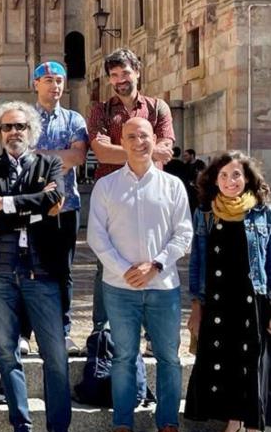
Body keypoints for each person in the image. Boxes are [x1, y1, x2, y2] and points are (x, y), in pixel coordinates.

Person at [0, 101, 75, 432]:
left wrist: (7, 205)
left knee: (55, 355)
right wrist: (33, 209)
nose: (14, 133)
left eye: (21, 127)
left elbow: (55, 199)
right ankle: (20, 425)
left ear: (32, 131)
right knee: (7, 353)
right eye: (7, 128)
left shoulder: (50, 164)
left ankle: (60, 429)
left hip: (42, 273)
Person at [87, 118, 193, 432]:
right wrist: (124, 270)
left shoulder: (173, 185)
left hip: (163, 286)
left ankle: (168, 426)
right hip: (119, 288)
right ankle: (122, 427)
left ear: (154, 140)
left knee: (168, 358)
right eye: (131, 136)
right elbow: (96, 236)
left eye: (144, 135)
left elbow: (185, 233)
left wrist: (156, 264)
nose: (138, 142)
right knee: (123, 358)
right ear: (123, 141)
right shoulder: (106, 186)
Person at [185, 151, 270, 432]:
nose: (230, 181)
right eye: (223, 175)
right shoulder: (206, 214)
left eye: (236, 175)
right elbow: (197, 262)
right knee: (226, 358)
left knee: (252, 361)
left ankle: (255, 427)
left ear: (247, 178)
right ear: (214, 179)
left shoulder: (262, 213)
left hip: (253, 300)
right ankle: (232, 422)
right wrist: (197, 304)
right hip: (219, 299)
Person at [87, 48, 175, 333]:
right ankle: (102, 329)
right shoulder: (100, 110)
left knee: (152, 258)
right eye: (114, 75)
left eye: (125, 73)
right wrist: (144, 151)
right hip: (114, 196)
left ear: (137, 71)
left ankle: (152, 331)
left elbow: (166, 149)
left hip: (152, 195)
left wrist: (125, 152)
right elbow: (100, 152)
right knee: (107, 259)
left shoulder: (157, 107)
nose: (120, 79)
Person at [26, 61, 88, 356]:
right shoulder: (24, 119)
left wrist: (41, 155)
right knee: (28, 267)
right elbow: (21, 158)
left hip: (67, 205)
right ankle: (24, 331)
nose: (55, 86)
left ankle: (62, 331)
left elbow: (78, 156)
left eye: (60, 80)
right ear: (36, 84)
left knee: (63, 270)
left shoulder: (74, 119)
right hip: (31, 206)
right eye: (48, 80)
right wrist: (58, 156)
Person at [183, 148, 207, 213]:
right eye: (184, 156)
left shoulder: (200, 164)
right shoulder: (185, 166)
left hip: (197, 191)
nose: (185, 157)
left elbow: (204, 175)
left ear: (192, 155)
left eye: (186, 155)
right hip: (188, 191)